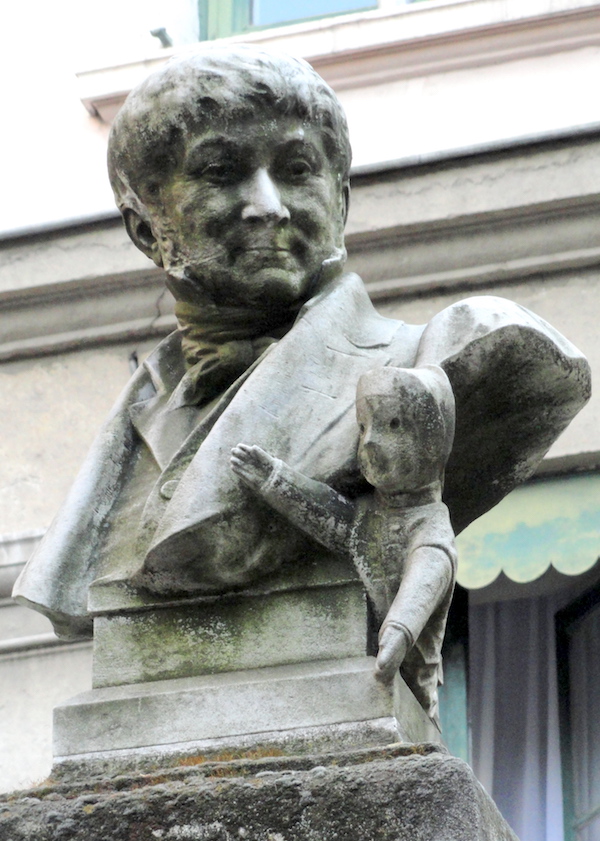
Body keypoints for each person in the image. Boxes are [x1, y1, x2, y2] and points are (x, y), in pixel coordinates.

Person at [13, 45, 590, 643]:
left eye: (296, 170)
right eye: (220, 171)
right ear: (144, 228)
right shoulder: (129, 431)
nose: (268, 207)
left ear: (340, 200)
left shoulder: (459, 352)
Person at [231, 365, 457, 724]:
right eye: (365, 427)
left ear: (432, 442)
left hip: (410, 691)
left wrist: (398, 633)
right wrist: (274, 478)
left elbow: (426, 577)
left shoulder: (431, 528)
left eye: (393, 425)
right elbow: (330, 517)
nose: (370, 441)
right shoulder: (367, 514)